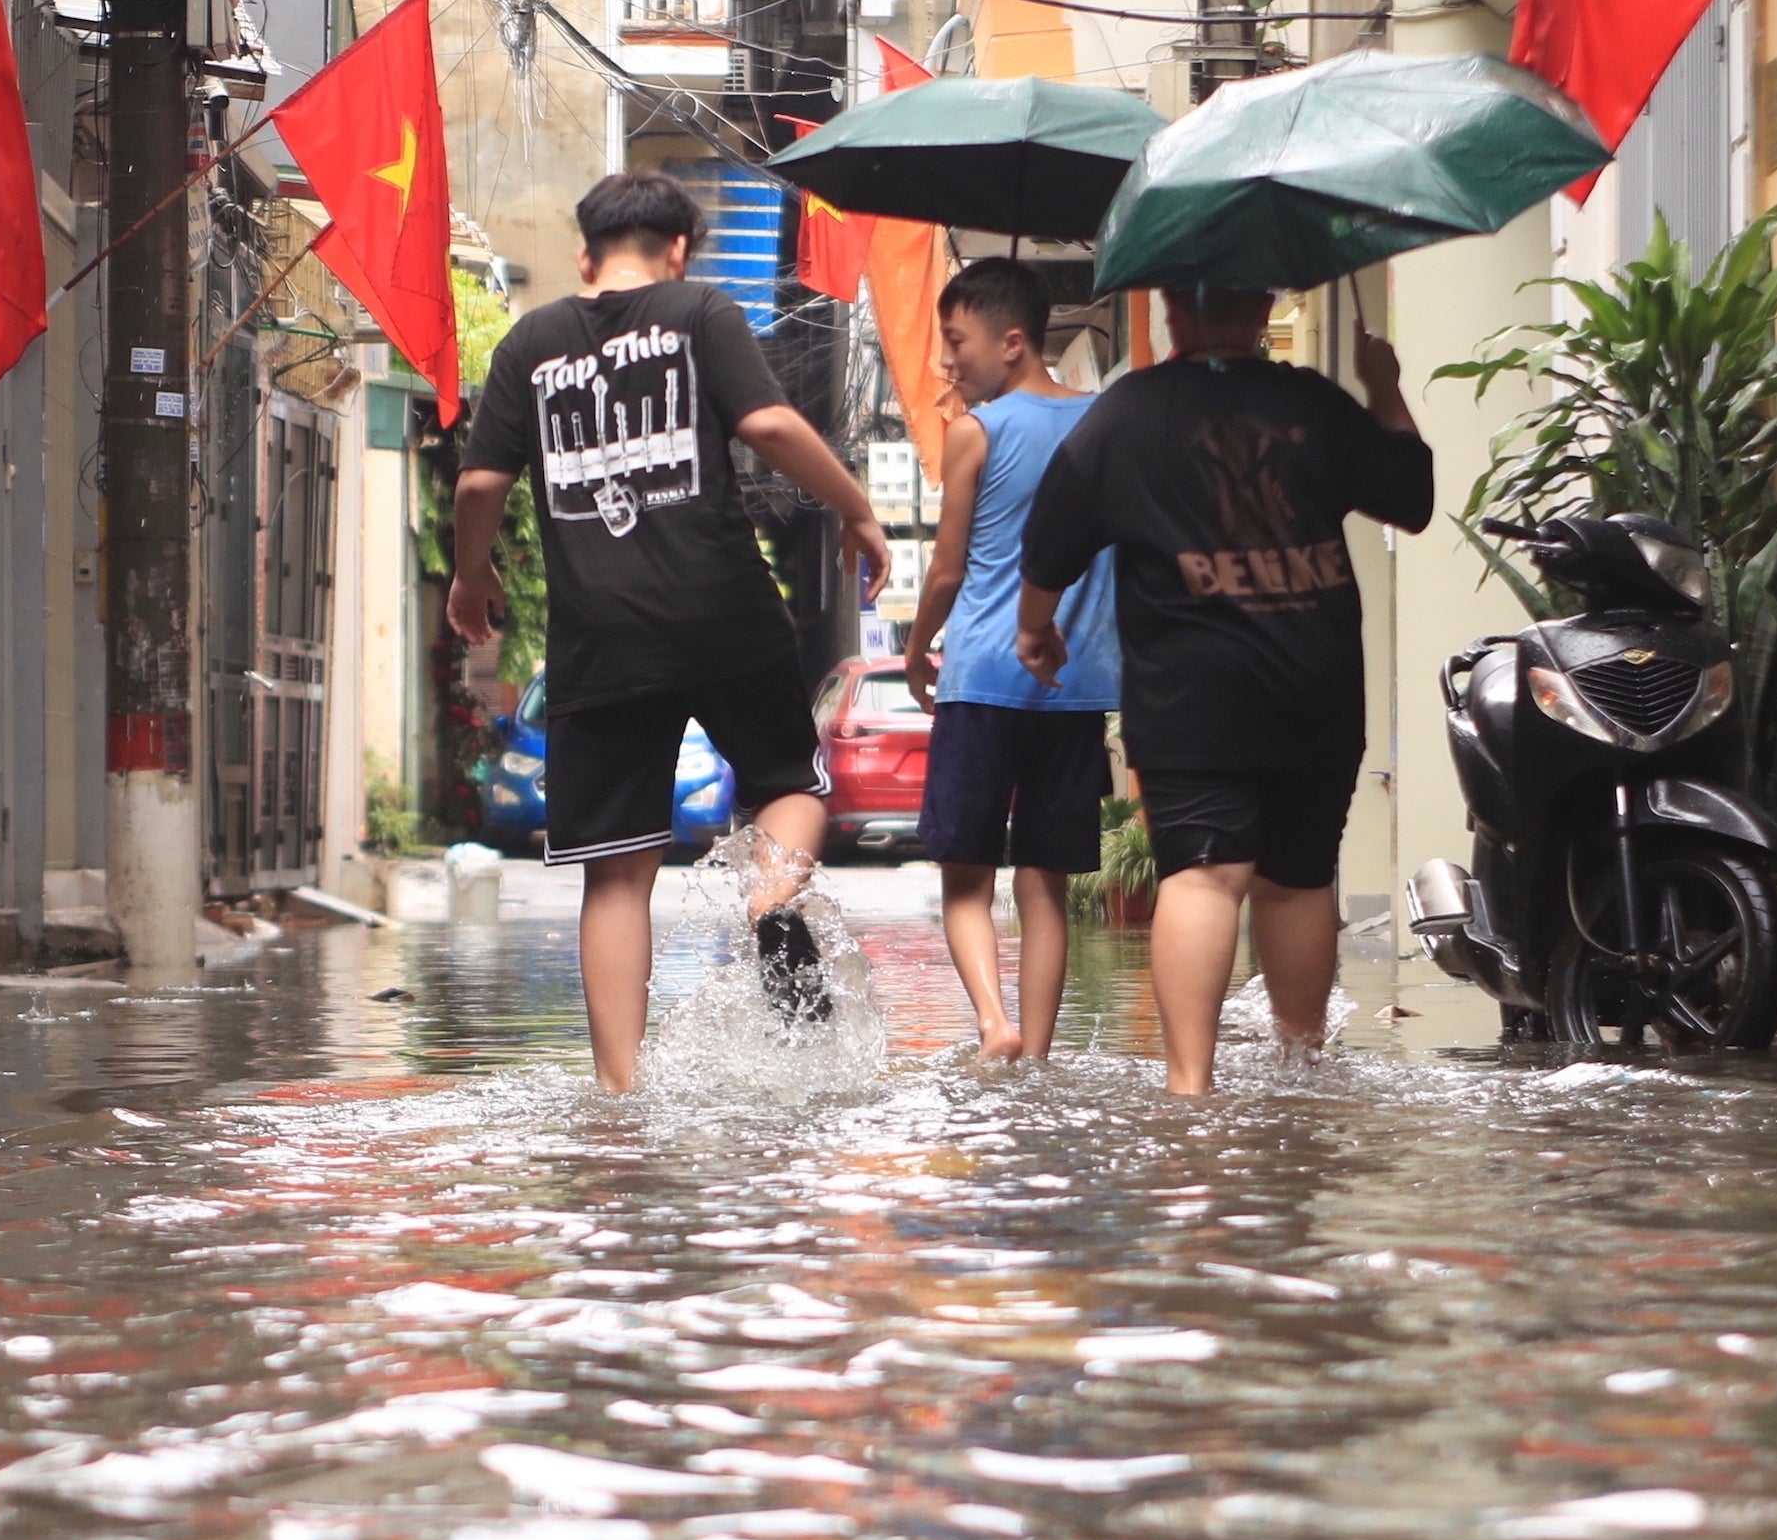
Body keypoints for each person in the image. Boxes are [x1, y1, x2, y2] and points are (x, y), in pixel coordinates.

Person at [451, 173, 892, 1091]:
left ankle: (619, 1089)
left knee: (614, 875)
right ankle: (771, 892)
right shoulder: (700, 311)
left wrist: (472, 573)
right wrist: (855, 511)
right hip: (723, 608)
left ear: (584, 254)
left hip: (599, 634)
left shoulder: (530, 342)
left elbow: (478, 486)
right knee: (787, 781)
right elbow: (768, 423)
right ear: (678, 250)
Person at [1016, 287, 1432, 1096]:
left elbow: (1049, 541)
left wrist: (1037, 625)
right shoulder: (1315, 402)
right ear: (1263, 301)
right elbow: (1409, 500)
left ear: (1170, 302)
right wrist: (1382, 386)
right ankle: (1302, 1069)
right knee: (1298, 878)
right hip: (1313, 681)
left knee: (1203, 873)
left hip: (1189, 690)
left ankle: (1189, 1085)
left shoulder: (1125, 415)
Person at [904, 257, 1117, 1062]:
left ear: (1013, 341)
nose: (947, 360)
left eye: (956, 341)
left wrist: (918, 649)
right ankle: (1039, 1053)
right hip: (1076, 685)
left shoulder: (975, 431)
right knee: (1045, 882)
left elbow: (948, 568)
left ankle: (995, 1025)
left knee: (966, 876)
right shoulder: (1104, 422)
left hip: (984, 679)